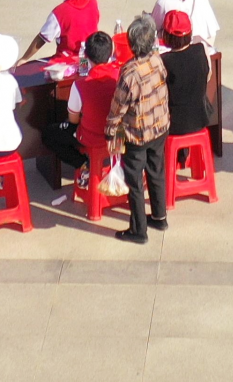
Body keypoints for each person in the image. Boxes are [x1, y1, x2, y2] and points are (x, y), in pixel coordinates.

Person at [107, 14, 171, 241]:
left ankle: (138, 230)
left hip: (137, 135)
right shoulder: (157, 60)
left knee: (134, 182)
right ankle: (160, 217)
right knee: (156, 172)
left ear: (132, 44)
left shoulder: (129, 73)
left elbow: (117, 108)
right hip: (160, 127)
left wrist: (110, 132)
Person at [43, 32, 119, 179]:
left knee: (49, 134)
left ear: (87, 56)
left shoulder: (80, 85)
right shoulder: (121, 75)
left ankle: (83, 163)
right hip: (119, 134)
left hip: (92, 138)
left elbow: (73, 120)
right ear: (111, 53)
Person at [158, 11, 212, 140]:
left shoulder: (163, 60)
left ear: (166, 35)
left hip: (174, 124)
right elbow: (208, 76)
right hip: (201, 118)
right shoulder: (201, 49)